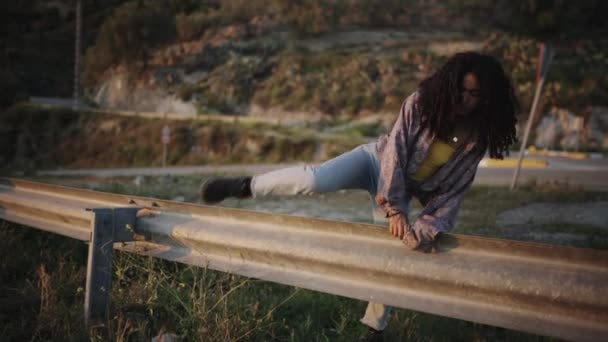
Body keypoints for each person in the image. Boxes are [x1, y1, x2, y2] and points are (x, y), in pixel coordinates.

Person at [199, 51, 519, 339]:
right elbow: (395, 153)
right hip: (374, 162)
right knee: (315, 179)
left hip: (404, 192)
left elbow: (452, 194)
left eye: (473, 94)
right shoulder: (421, 103)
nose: (464, 99)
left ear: (486, 98)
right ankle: (244, 186)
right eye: (460, 90)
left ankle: (373, 330)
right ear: (449, 85)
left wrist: (424, 230)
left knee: (396, 253)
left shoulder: (476, 141)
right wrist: (394, 209)